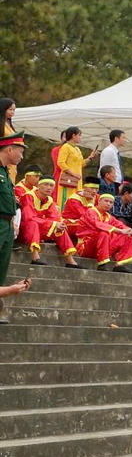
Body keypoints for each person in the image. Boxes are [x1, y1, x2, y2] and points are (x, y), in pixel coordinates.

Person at [0, 131, 32, 325]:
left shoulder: (5, 172)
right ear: (9, 149)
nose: (21, 157)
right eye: (19, 152)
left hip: (6, 223)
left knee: (2, 267)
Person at [19, 178, 80, 267]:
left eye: (51, 185)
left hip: (38, 230)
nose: (49, 188)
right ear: (38, 186)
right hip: (23, 230)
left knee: (59, 228)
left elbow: (54, 218)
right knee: (33, 223)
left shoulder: (49, 200)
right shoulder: (28, 196)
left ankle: (70, 260)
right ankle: (35, 256)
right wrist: (52, 224)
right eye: (46, 184)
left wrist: (59, 224)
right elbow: (29, 217)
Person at [77, 192, 132, 271]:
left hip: (102, 248)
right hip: (86, 247)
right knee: (104, 233)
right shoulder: (91, 211)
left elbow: (120, 225)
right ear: (99, 201)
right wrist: (120, 230)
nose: (108, 204)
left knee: (127, 235)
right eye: (106, 201)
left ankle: (119, 265)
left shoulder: (108, 216)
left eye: (111, 202)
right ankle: (102, 264)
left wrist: (128, 230)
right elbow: (97, 224)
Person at [53, 126, 96, 209]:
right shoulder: (65, 147)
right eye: (79, 135)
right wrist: (73, 174)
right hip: (68, 179)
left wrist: (89, 158)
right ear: (73, 135)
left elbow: (80, 164)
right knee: (67, 199)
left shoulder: (77, 149)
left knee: (76, 199)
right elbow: (60, 163)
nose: (80, 137)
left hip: (77, 180)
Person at [99, 130, 125, 196]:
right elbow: (104, 169)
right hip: (110, 183)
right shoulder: (109, 151)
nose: (124, 140)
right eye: (123, 137)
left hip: (115, 182)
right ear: (116, 138)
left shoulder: (114, 151)